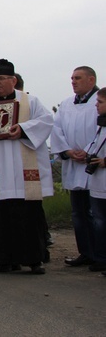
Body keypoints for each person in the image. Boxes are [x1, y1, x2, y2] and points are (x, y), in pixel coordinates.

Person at [0, 59, 53, 274]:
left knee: (27, 215)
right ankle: (5, 258)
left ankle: (34, 260)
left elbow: (46, 121)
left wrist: (23, 129)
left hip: (22, 169)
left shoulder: (30, 101)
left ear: (13, 80)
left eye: (1, 79)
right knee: (0, 216)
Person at [51, 66, 99, 269]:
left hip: (94, 165)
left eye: (78, 78)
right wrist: (68, 151)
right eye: (72, 78)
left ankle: (100, 254)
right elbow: (57, 130)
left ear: (91, 79)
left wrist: (88, 151)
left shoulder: (99, 101)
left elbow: (101, 131)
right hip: (73, 163)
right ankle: (85, 252)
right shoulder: (66, 104)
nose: (73, 81)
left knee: (96, 214)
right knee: (78, 213)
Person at [84, 87, 106, 275]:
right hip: (98, 183)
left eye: (100, 102)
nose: (96, 105)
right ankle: (101, 259)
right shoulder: (101, 125)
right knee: (99, 222)